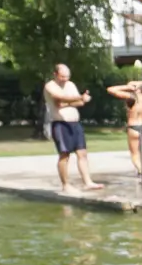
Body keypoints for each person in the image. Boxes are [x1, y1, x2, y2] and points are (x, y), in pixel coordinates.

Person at [43, 64, 104, 192]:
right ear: (55, 74)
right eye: (62, 76)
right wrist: (78, 98)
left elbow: (79, 103)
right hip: (60, 124)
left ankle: (88, 182)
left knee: (82, 153)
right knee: (64, 155)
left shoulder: (70, 85)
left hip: (75, 123)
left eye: (67, 76)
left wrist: (70, 102)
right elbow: (59, 100)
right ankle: (66, 185)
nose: (65, 79)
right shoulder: (50, 86)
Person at [106, 78, 142, 175]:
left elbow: (110, 89)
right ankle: (141, 171)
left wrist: (126, 87)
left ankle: (141, 171)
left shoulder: (130, 97)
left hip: (133, 127)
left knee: (134, 154)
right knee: (141, 152)